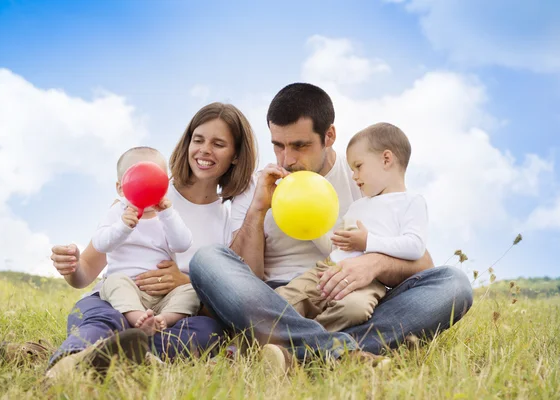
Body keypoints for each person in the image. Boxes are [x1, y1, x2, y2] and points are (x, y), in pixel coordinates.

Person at [189, 83, 473, 372]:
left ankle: (288, 349)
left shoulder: (363, 178)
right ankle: (339, 352)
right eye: (278, 145)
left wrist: (372, 265)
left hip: (353, 297)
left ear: (329, 136)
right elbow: (247, 276)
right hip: (277, 300)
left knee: (454, 284)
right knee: (206, 259)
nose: (287, 159)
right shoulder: (257, 186)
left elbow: (422, 263)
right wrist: (259, 209)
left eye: (300, 145)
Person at [46, 102, 257, 378]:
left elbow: (225, 298)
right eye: (198, 140)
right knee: (105, 319)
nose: (205, 150)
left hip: (165, 318)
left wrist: (187, 281)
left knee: (209, 331)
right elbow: (86, 272)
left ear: (236, 156)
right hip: (115, 303)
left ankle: (119, 356)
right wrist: (71, 266)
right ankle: (68, 365)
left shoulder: (227, 217)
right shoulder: (146, 190)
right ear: (187, 143)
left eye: (218, 144)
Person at [275, 122, 428, 333]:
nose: (354, 175)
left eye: (358, 166)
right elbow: (335, 244)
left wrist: (368, 242)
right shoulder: (357, 206)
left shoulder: (411, 202)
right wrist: (309, 225)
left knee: (354, 310)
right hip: (327, 269)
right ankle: (243, 344)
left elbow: (415, 246)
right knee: (283, 300)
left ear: (386, 159)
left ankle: (307, 339)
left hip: (368, 282)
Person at [93, 146, 197, 336]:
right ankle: (138, 318)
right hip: (129, 288)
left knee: (192, 290)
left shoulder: (166, 215)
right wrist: (123, 226)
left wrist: (167, 214)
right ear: (120, 188)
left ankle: (165, 319)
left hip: (164, 295)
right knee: (115, 282)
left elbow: (182, 244)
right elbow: (100, 244)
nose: (146, 186)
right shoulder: (117, 213)